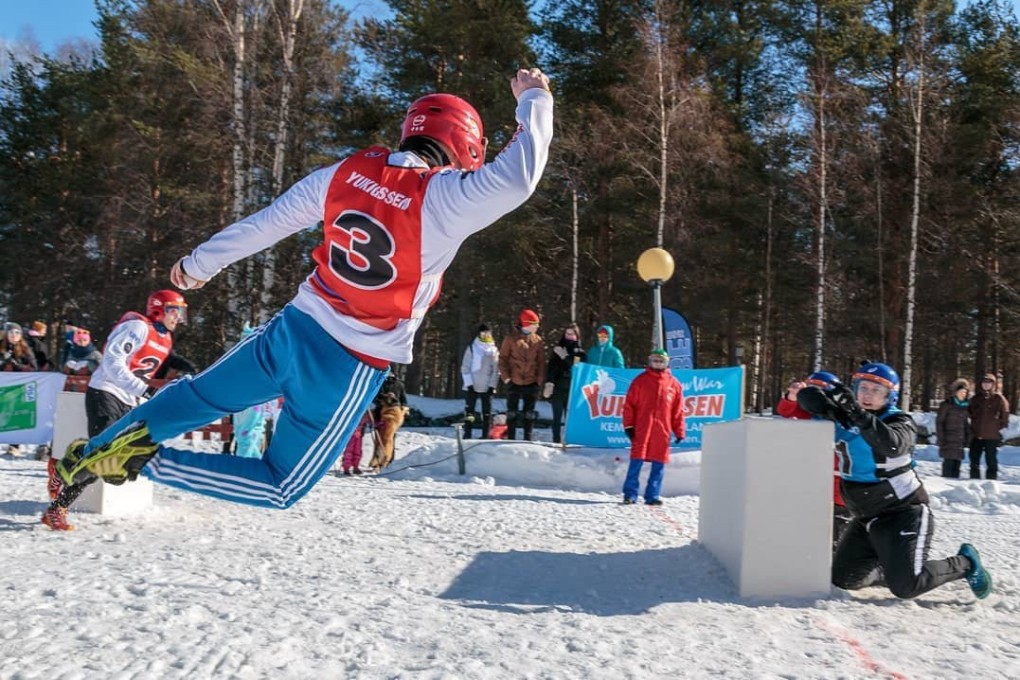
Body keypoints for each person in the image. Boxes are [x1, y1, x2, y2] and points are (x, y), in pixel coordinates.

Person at [52, 69, 554, 513]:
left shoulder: (347, 172)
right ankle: (147, 463)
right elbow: (520, 177)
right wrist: (534, 98)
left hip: (291, 330)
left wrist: (197, 265)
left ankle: (99, 451)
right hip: (349, 362)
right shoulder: (448, 196)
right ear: (466, 145)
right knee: (280, 485)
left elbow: (267, 223)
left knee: (198, 396)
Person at [797, 362, 992, 600]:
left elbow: (892, 445)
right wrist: (811, 396)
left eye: (876, 391)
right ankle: (890, 568)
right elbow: (806, 404)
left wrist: (857, 413)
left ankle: (966, 563)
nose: (867, 395)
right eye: (863, 388)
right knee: (843, 579)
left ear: (890, 396)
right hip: (866, 516)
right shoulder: (845, 418)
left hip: (903, 512)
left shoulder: (900, 420)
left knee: (908, 586)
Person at [42, 291, 191, 530]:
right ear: (158, 309)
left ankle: (62, 466)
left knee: (113, 463)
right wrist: (143, 390)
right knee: (102, 456)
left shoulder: (166, 338)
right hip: (106, 392)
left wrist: (182, 367)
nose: (178, 317)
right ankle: (57, 508)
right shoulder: (137, 327)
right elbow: (112, 362)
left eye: (181, 312)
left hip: (129, 401)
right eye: (174, 310)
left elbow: (155, 362)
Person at [776, 371, 852, 549]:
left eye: (819, 391)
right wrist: (792, 396)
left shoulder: (841, 417)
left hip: (840, 489)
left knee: (838, 533)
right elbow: (785, 410)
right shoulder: (805, 414)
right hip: (811, 486)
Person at [621, 349, 685, 505]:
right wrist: (629, 426)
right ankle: (630, 494)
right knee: (637, 461)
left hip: (662, 430)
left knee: (659, 463)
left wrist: (679, 431)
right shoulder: (640, 381)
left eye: (661, 361)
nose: (658, 364)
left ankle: (652, 495)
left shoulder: (673, 384)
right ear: (650, 362)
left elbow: (678, 410)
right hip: (643, 428)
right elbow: (629, 405)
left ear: (667, 363)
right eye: (655, 360)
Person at [498, 308, 546, 440]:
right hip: (514, 380)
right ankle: (511, 437)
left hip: (531, 381)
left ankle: (527, 438)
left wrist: (539, 380)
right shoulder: (510, 339)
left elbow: (541, 362)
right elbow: (502, 359)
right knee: (512, 412)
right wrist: (506, 378)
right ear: (526, 324)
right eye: (534, 324)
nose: (536, 327)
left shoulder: (538, 340)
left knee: (529, 413)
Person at [543, 323, 586, 443]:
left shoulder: (580, 352)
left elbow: (576, 366)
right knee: (556, 417)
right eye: (567, 334)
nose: (569, 336)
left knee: (570, 418)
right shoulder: (558, 349)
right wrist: (549, 383)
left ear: (577, 336)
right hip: (558, 387)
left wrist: (565, 356)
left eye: (572, 334)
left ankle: (569, 441)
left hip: (572, 388)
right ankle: (555, 440)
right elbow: (552, 367)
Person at [460, 324, 499, 438]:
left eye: (487, 333)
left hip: (487, 385)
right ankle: (467, 434)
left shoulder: (493, 350)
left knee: (487, 412)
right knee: (470, 411)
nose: (485, 335)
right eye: (483, 333)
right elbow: (465, 367)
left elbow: (496, 370)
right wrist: (469, 384)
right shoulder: (472, 348)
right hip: (472, 385)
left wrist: (492, 385)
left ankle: (486, 435)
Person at [967, 373, 1009, 480]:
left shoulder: (999, 399)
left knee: (991, 460)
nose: (986, 385)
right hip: (976, 435)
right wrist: (971, 429)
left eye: (989, 383)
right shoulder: (976, 398)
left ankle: (991, 483)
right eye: (984, 383)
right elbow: (968, 414)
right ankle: (974, 482)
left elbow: (1005, 416)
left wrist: (998, 429)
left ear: (993, 385)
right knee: (974, 460)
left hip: (992, 436)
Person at [937, 378, 972, 479]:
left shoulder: (966, 407)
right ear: (955, 392)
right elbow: (940, 422)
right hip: (948, 440)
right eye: (961, 392)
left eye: (965, 392)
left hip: (959, 442)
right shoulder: (947, 405)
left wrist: (968, 438)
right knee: (948, 466)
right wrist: (941, 438)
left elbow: (966, 424)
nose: (963, 394)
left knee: (957, 468)